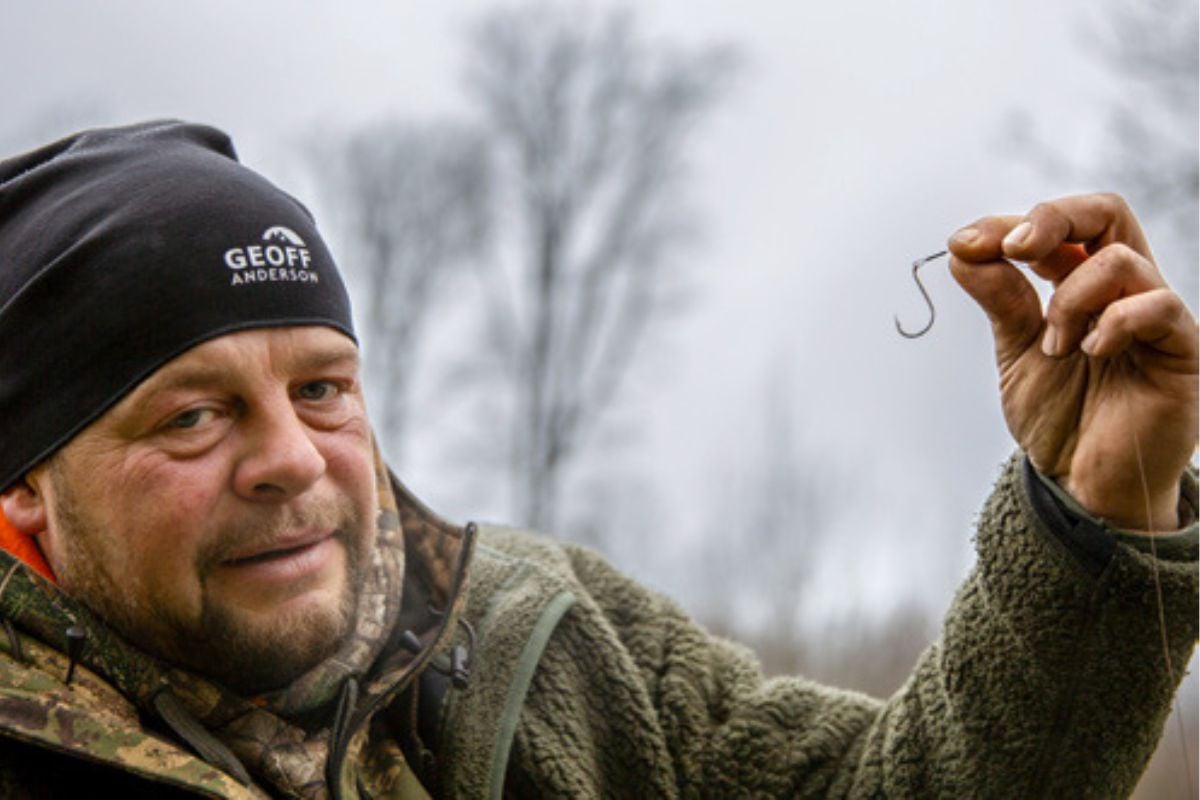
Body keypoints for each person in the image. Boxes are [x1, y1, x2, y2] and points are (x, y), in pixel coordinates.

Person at [0, 120, 1193, 800]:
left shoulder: (538, 631)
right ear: (24, 484)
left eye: (322, 388)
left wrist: (1097, 508)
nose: (289, 460)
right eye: (191, 417)